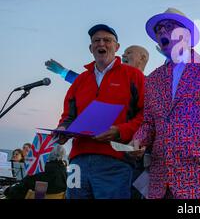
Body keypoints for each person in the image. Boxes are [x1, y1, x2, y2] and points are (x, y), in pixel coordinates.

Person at [130, 8, 200, 199]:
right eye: (159, 29)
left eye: (169, 27)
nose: (162, 32)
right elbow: (148, 123)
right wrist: (138, 140)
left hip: (199, 177)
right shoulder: (154, 79)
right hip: (159, 180)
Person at [55, 24, 145, 199]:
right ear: (90, 48)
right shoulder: (80, 80)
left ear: (116, 47)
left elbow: (145, 115)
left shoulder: (134, 76)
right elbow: (68, 116)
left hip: (115, 162)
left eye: (107, 40)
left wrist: (120, 131)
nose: (101, 43)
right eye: (96, 40)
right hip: (77, 162)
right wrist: (63, 129)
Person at [45, 45, 149, 83]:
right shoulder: (112, 78)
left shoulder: (152, 83)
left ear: (142, 58)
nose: (123, 55)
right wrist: (62, 71)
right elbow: (85, 84)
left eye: (129, 53)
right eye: (124, 53)